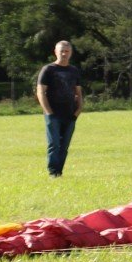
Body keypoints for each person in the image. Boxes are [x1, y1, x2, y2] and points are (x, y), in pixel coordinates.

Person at [34, 40, 83, 177]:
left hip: (70, 113)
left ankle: (59, 171)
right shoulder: (48, 70)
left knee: (64, 146)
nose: (64, 53)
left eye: (67, 51)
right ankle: (53, 172)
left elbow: (78, 93)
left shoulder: (74, 71)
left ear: (71, 53)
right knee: (54, 144)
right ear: (55, 52)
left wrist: (78, 110)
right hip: (53, 114)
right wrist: (49, 112)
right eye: (61, 51)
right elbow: (40, 92)